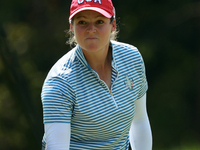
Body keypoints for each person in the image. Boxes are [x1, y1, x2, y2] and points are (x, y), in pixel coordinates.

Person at [41, 0, 152, 149]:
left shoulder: (132, 58)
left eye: (99, 21)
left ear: (112, 25)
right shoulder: (60, 82)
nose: (91, 29)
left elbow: (139, 121)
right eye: (82, 22)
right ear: (71, 27)